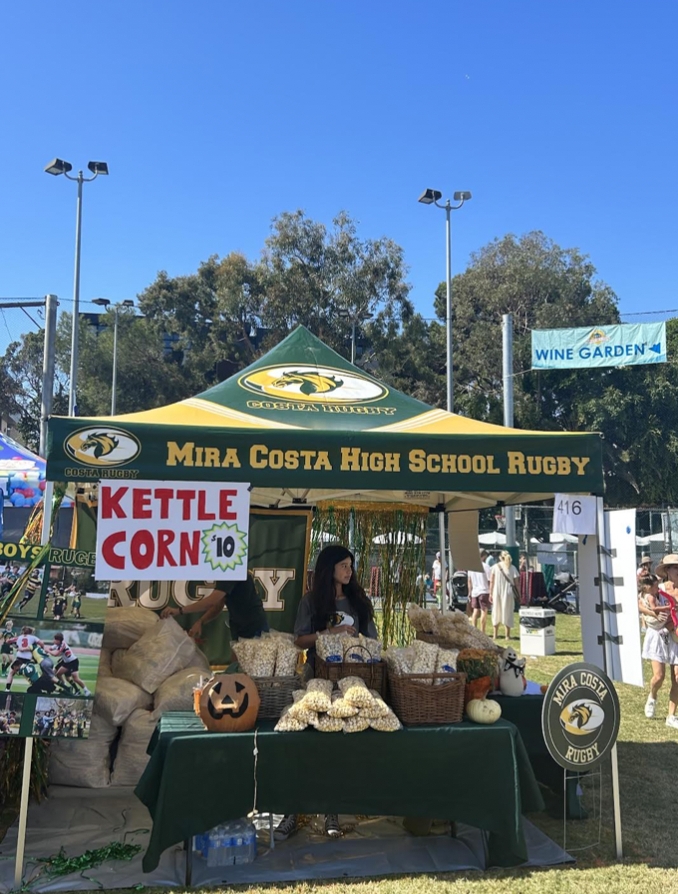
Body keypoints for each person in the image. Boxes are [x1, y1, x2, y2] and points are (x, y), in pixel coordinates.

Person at [276, 544, 378, 843]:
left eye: (350, 565)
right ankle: (292, 811)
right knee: (304, 743)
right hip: (316, 678)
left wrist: (358, 643)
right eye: (343, 565)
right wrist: (329, 634)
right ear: (328, 568)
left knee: (337, 746)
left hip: (352, 680)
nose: (349, 570)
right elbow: (299, 640)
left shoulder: (358, 601)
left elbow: (372, 640)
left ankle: (331, 811)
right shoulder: (310, 601)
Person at [161, 572, 269, 642]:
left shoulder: (232, 571)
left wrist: (179, 611)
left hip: (253, 625)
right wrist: (200, 622)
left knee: (250, 667)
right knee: (237, 665)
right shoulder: (225, 572)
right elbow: (218, 605)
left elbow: (211, 602)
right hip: (238, 626)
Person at [638, 568, 678, 728]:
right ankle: (653, 696)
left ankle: (671, 716)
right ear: (668, 571)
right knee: (659, 677)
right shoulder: (657, 588)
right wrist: (653, 613)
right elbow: (639, 605)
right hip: (658, 635)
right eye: (675, 567)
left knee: (677, 678)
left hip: (676, 635)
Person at [490, 551, 519, 641]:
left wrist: (490, 593)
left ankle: (495, 635)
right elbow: (517, 583)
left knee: (496, 611)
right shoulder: (512, 568)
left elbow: (492, 581)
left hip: (497, 591)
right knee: (508, 611)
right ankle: (507, 635)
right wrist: (519, 594)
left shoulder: (495, 567)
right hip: (508, 592)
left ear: (500, 557)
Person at [467, 550, 491, 633]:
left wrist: (470, 591)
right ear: (484, 556)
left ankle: (474, 630)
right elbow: (489, 580)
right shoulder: (486, 566)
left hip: (475, 591)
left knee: (475, 611)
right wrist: (490, 591)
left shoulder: (471, 567)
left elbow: (469, 581)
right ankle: (482, 631)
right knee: (484, 611)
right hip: (484, 590)